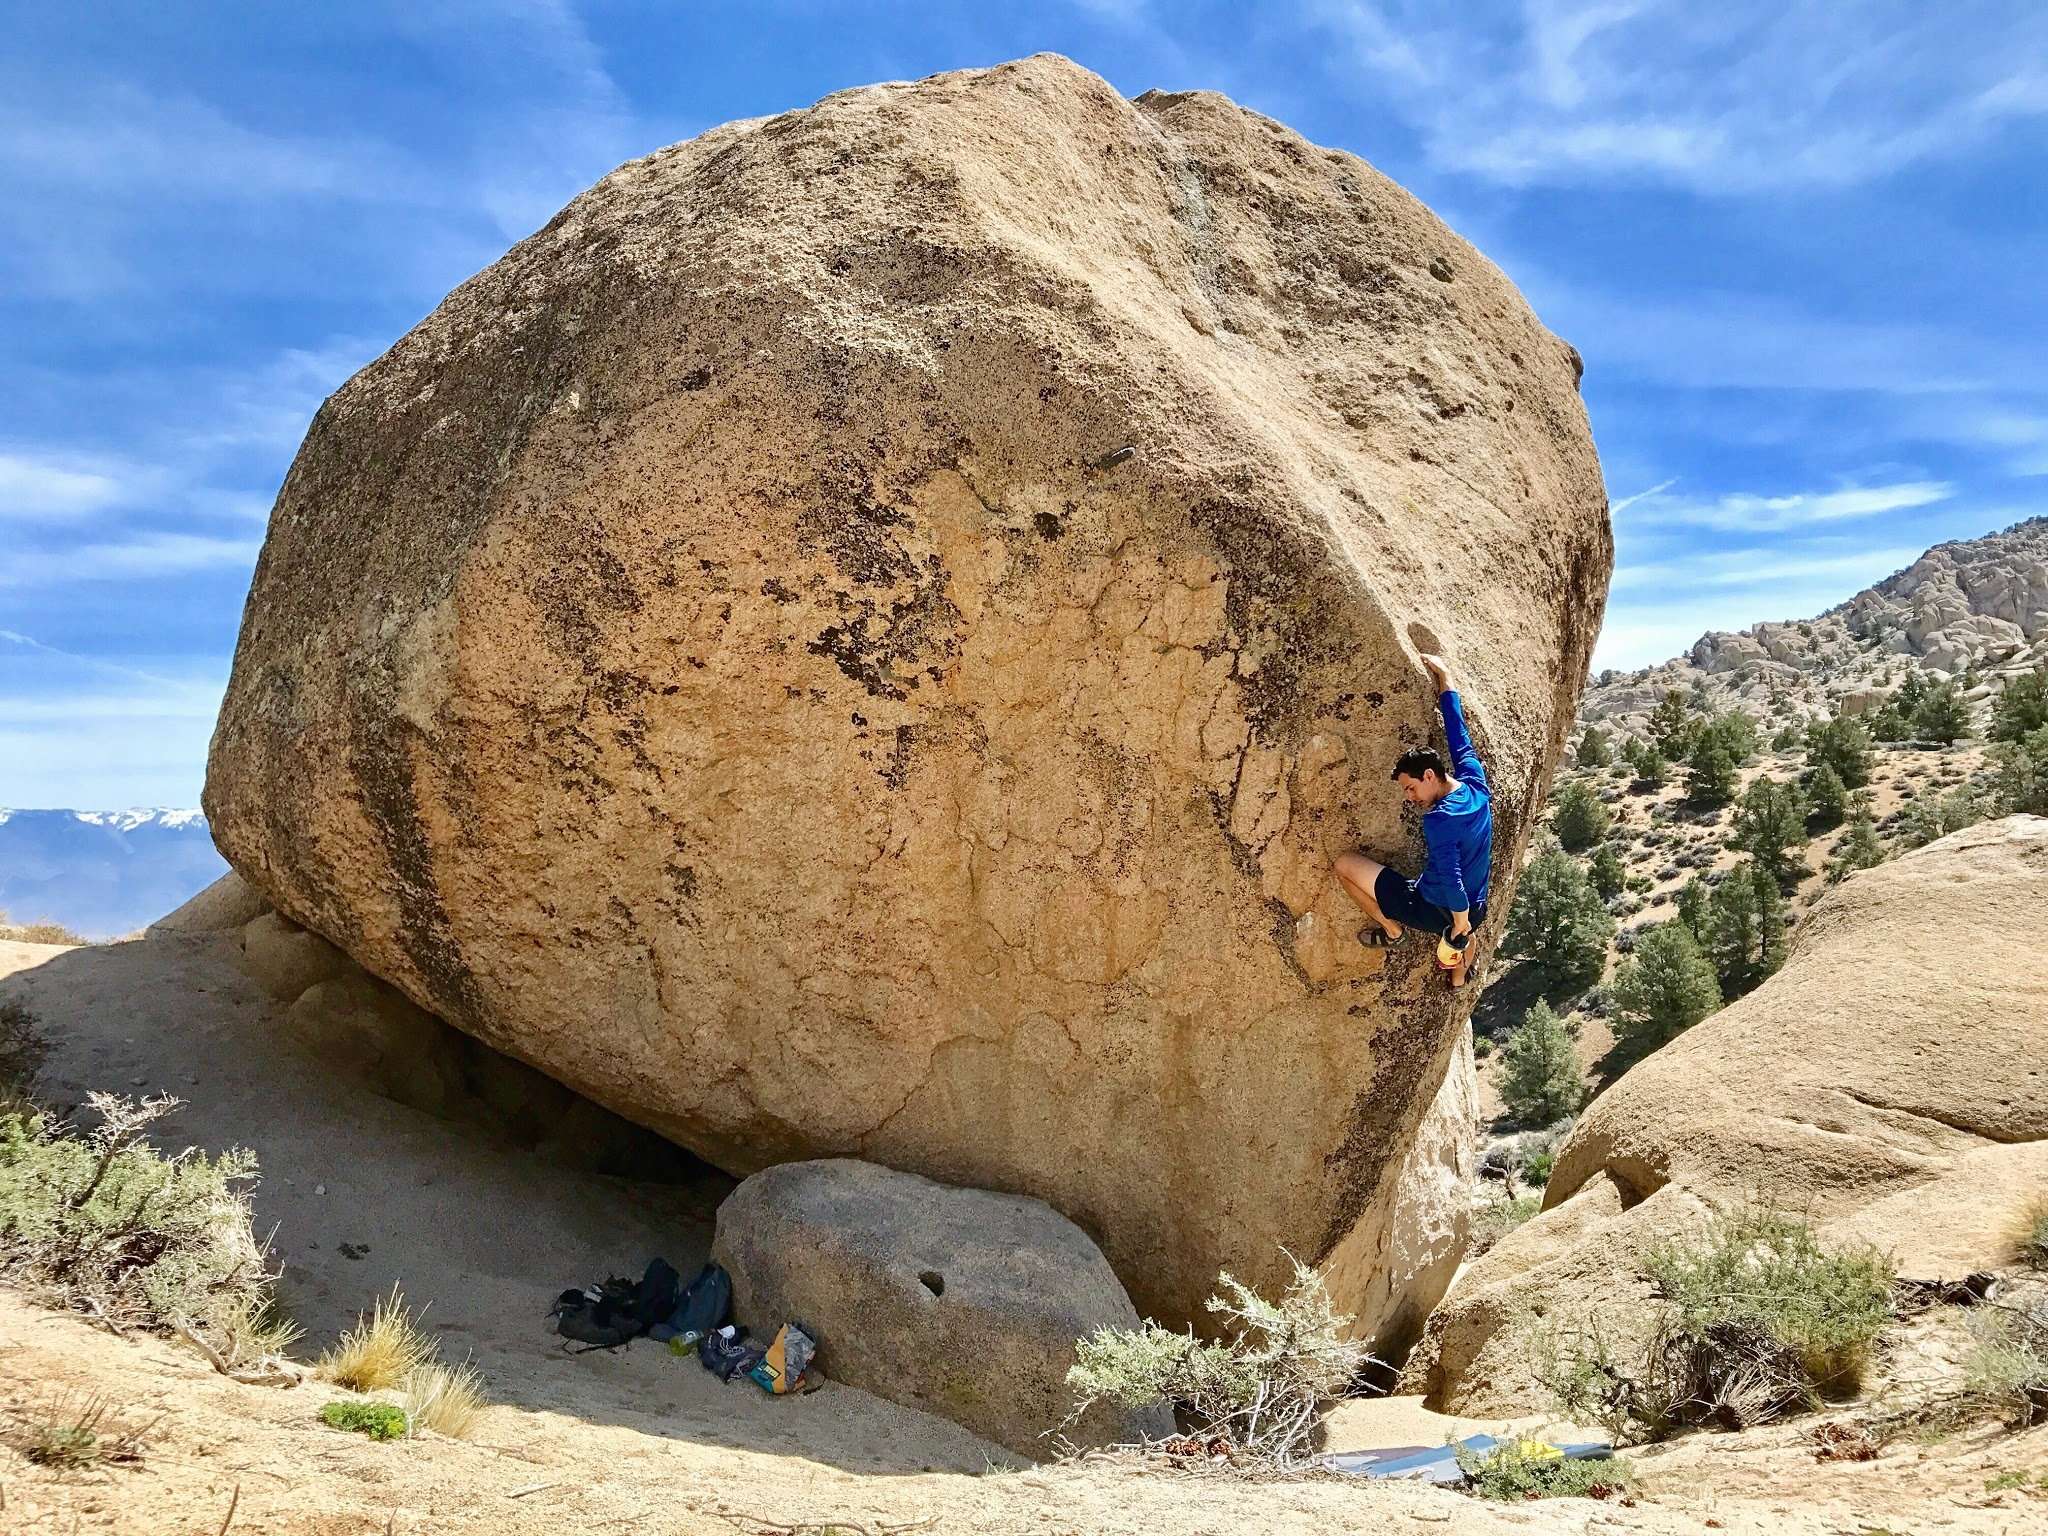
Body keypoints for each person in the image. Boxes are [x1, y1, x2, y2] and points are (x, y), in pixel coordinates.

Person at [1334, 653, 1492, 988]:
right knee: (1467, 936)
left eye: (1410, 788)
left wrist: (1458, 922)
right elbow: (1458, 735)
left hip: (1434, 907)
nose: (1410, 797)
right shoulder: (1475, 783)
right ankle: (1459, 977)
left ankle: (1392, 931)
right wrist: (1445, 680)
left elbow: (1451, 878)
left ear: (1430, 775)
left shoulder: (1439, 819)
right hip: (1477, 906)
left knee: (1344, 865)